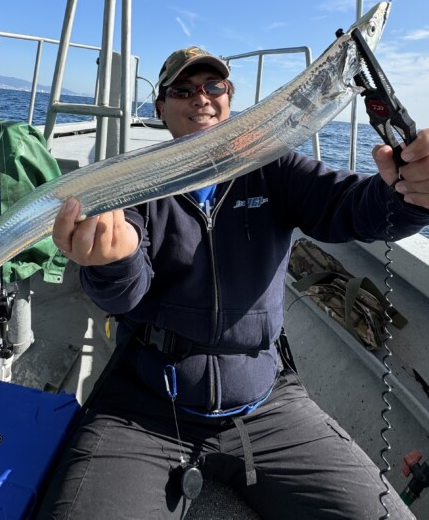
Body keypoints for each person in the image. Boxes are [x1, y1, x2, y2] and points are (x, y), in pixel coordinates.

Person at [38, 46, 429, 519]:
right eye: (182, 90)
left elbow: (354, 207)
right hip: (144, 408)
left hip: (268, 406)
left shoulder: (275, 168)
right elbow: (124, 294)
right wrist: (111, 260)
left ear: (229, 97)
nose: (200, 97)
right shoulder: (136, 182)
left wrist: (410, 194)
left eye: (213, 86)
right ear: (160, 108)